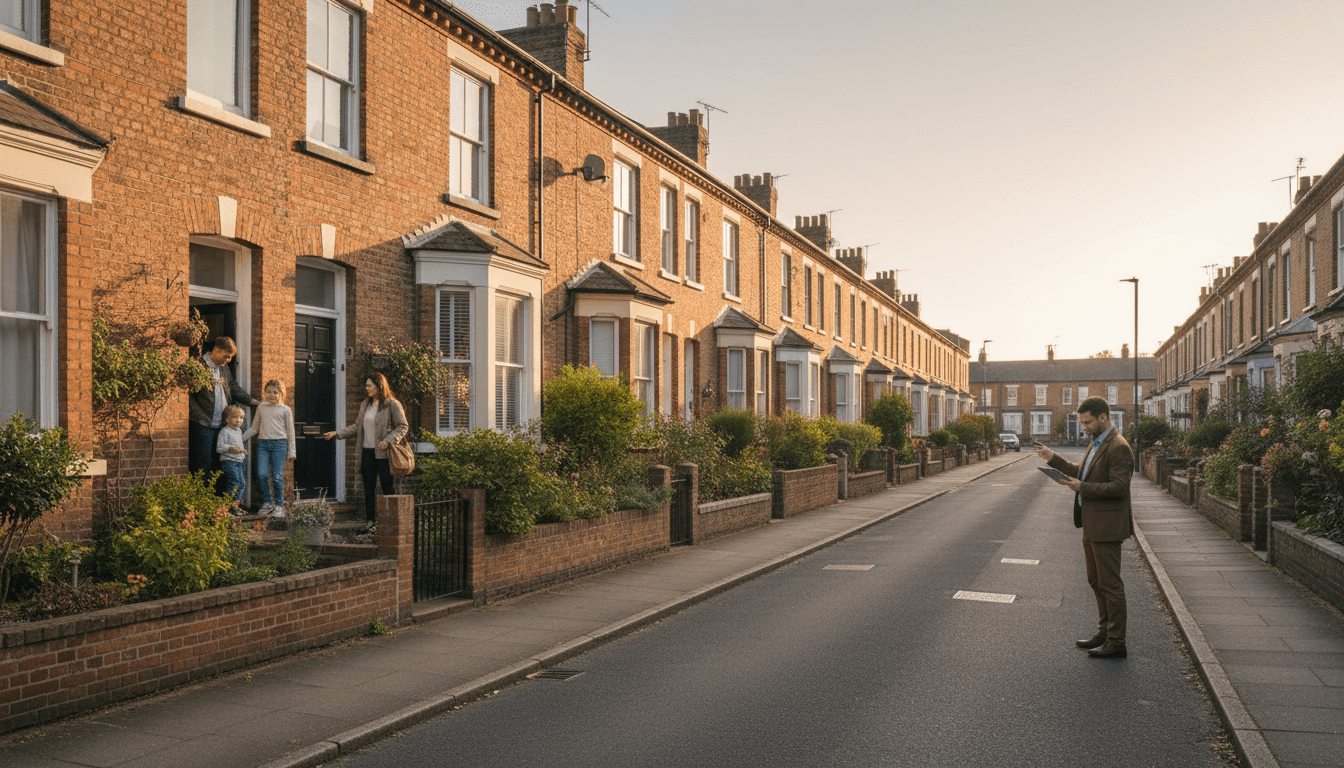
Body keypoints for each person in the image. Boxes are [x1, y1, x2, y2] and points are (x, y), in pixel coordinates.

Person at [1035, 396, 1134, 659]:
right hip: (1091, 524)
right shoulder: (1097, 442)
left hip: (1108, 526)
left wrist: (1083, 488)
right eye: (1082, 422)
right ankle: (1104, 632)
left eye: (1088, 422)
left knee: (1111, 585)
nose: (1085, 427)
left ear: (1103, 417)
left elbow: (1120, 487)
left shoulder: (1118, 447)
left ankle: (1116, 641)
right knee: (1096, 581)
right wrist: (1052, 458)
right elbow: (1082, 472)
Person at [323, 373, 408, 522]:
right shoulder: (365, 404)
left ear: (379, 385)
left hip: (384, 454)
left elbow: (403, 426)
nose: (366, 388)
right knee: (368, 491)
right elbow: (357, 427)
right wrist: (337, 433)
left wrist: (388, 440)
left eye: (369, 385)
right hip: (367, 453)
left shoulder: (392, 404)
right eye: (366, 385)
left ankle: (391, 524)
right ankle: (370, 524)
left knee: (387, 489)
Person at [189, 336, 258, 479]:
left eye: (230, 357)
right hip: (203, 423)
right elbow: (188, 395)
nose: (228, 360)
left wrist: (252, 402)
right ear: (216, 350)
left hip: (221, 424)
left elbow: (233, 387)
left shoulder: (223, 367)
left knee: (219, 461)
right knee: (203, 462)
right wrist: (199, 415)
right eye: (226, 356)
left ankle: (217, 497)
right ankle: (202, 497)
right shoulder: (198, 365)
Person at [243, 379, 296, 518]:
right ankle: (268, 502)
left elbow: (290, 432)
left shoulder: (285, 410)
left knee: (277, 476)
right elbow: (254, 428)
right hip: (263, 445)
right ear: (264, 392)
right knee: (262, 474)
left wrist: (292, 451)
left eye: (275, 392)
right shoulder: (262, 407)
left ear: (281, 394)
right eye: (268, 392)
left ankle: (279, 505)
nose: (271, 395)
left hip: (280, 445)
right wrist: (239, 439)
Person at [216, 404, 249, 511]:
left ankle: (235, 505)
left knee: (242, 483)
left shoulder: (238, 431)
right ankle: (225, 507)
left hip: (238, 462)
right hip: (229, 461)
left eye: (241, 418)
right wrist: (232, 448)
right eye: (235, 417)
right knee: (234, 482)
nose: (238, 420)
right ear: (227, 419)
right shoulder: (225, 431)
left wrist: (241, 452)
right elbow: (219, 448)